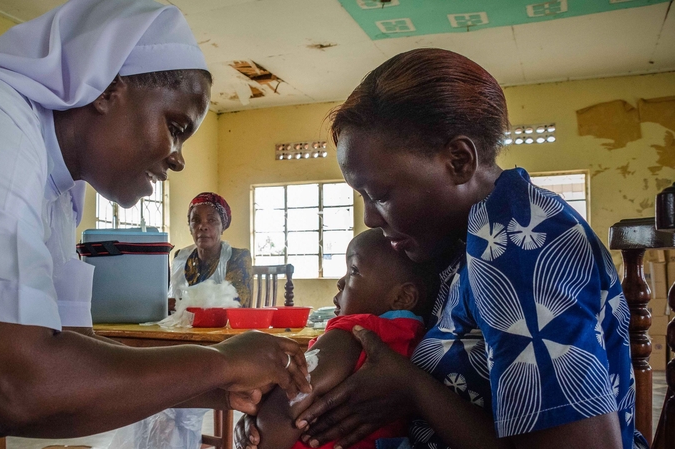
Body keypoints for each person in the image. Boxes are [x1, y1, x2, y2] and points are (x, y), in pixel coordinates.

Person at [0, 1, 310, 448]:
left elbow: (67, 377)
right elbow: (8, 387)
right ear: (107, 91)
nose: (178, 159)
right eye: (175, 127)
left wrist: (224, 389)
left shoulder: (58, 193)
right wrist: (221, 362)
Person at [237, 48, 643, 449]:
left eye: (379, 194)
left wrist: (412, 388)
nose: (370, 219)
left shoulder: (516, 247)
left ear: (459, 160)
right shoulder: (466, 235)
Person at [254, 229, 438, 449]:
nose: (341, 282)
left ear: (402, 297)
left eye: (353, 270)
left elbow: (288, 404)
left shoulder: (352, 334)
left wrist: (257, 428)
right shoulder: (414, 340)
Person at [169, 192, 253, 308]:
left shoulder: (238, 257)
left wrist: (177, 303)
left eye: (212, 220)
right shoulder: (181, 258)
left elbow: (237, 304)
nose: (202, 226)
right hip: (181, 325)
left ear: (222, 226)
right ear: (190, 227)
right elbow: (169, 301)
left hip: (222, 325)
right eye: (196, 220)